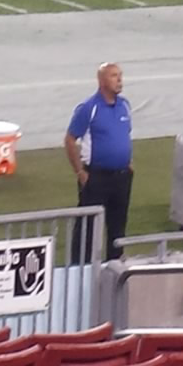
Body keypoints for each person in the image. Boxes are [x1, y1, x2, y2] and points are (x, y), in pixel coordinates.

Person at [65, 62, 132, 263]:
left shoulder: (125, 105)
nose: (119, 80)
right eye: (114, 76)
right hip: (96, 177)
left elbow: (125, 134)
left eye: (120, 75)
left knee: (118, 226)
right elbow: (69, 140)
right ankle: (81, 270)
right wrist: (80, 173)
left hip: (121, 177)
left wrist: (128, 163)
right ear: (102, 81)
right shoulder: (89, 108)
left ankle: (114, 267)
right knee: (87, 228)